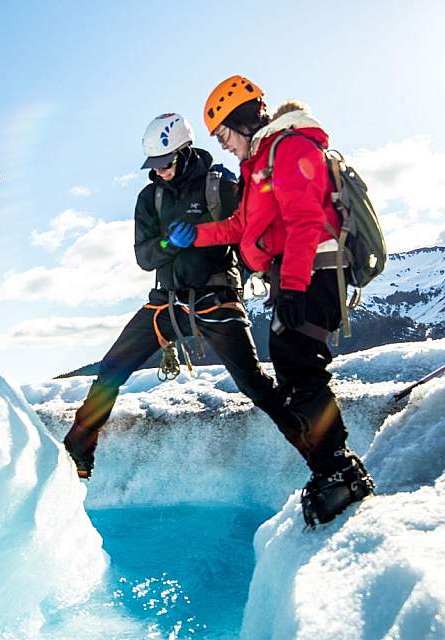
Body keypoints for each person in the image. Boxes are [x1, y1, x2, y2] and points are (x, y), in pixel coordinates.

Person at [62, 113, 303, 482]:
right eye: (154, 166)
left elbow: (247, 234)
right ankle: (78, 452)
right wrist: (168, 244)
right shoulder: (150, 197)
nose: (160, 172)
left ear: (186, 151)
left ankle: (318, 449)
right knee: (110, 371)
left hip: (215, 297)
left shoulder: (220, 185)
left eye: (166, 163)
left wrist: (268, 273)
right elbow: (145, 258)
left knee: (253, 382)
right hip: (165, 303)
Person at [180, 75, 374, 526]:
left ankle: (340, 472)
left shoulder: (289, 148)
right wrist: (198, 234)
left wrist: (294, 286)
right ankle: (333, 468)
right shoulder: (260, 163)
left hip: (315, 273)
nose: (224, 145)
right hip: (299, 275)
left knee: (300, 366)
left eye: (223, 134)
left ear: (241, 121)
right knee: (294, 366)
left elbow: (306, 222)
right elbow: (242, 228)